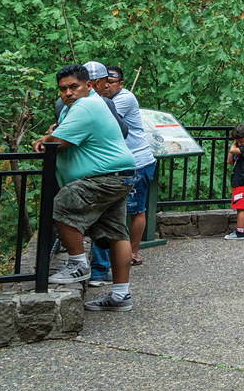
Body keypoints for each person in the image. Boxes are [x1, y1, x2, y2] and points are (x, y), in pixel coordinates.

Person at [37, 63, 140, 312]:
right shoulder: (81, 106)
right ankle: (120, 296)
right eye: (62, 89)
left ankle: (78, 265)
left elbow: (59, 141)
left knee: (59, 205)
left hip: (104, 177)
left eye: (74, 86)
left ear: (88, 85)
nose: (68, 93)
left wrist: (44, 139)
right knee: (116, 234)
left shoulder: (86, 105)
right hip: (118, 175)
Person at [85, 65, 156, 285]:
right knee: (116, 212)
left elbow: (99, 118)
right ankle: (115, 265)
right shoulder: (102, 99)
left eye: (112, 82)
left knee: (134, 210)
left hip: (137, 162)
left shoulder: (125, 99)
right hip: (122, 164)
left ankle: (132, 254)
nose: (107, 86)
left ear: (121, 84)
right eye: (105, 81)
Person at [223, 124, 244, 240]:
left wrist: (234, 145)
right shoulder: (243, 148)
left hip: (242, 180)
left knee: (240, 207)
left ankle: (239, 232)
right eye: (238, 142)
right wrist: (237, 145)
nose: (240, 144)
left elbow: (232, 150)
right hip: (241, 179)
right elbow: (229, 161)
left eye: (241, 141)